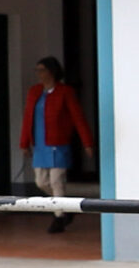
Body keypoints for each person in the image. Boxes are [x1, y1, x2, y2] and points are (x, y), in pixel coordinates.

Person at [20, 57, 94, 234]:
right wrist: (24, 143)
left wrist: (87, 143)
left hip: (58, 144)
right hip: (40, 144)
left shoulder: (65, 92)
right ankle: (65, 205)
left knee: (56, 181)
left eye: (41, 70)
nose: (38, 74)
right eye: (37, 70)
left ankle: (59, 217)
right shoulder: (34, 92)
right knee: (41, 182)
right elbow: (28, 118)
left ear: (51, 72)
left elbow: (78, 118)